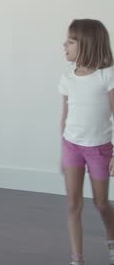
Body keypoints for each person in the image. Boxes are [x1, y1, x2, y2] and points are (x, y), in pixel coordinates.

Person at [59, 19, 114, 265]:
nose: (64, 45)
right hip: (72, 147)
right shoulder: (67, 78)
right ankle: (77, 259)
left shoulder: (107, 76)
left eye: (70, 41)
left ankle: (111, 236)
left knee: (101, 203)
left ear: (87, 44)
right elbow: (65, 117)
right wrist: (63, 151)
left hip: (99, 149)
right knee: (72, 204)